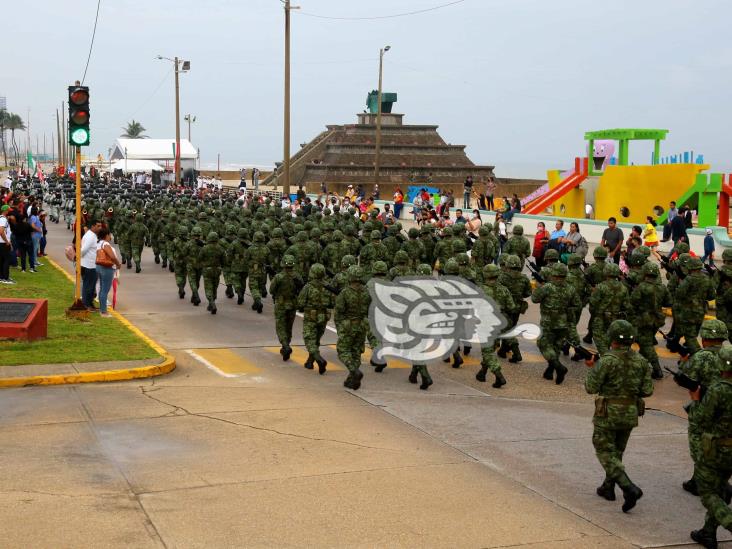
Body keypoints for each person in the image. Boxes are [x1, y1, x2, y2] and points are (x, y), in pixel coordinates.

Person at [585, 319, 653, 513]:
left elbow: (591, 387)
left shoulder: (607, 360)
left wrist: (591, 368)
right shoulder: (641, 361)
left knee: (604, 450)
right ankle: (608, 487)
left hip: (608, 413)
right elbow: (647, 390)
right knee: (617, 451)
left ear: (612, 338)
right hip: (630, 413)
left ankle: (628, 487)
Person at [688, 345, 732, 548]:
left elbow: (701, 420)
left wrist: (696, 401)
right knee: (721, 487)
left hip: (716, 449)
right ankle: (708, 532)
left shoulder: (719, 389)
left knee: (707, 493)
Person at [95, 227, 122, 317]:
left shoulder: (99, 243)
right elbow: (112, 257)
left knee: (102, 289)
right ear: (107, 235)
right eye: (110, 234)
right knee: (105, 291)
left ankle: (102, 309)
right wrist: (118, 264)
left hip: (99, 266)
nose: (110, 236)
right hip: (107, 268)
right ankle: (104, 312)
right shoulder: (105, 244)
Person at [80, 220, 102, 310]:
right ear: (92, 226)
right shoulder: (90, 236)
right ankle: (86, 305)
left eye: (100, 226)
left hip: (91, 265)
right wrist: (82, 259)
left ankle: (90, 304)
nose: (100, 228)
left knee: (91, 286)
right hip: (89, 265)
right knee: (88, 286)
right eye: (98, 226)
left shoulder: (92, 235)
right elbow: (83, 250)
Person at [0, 205, 15, 284]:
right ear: (5, 211)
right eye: (8, 210)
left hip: (2, 243)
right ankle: (5, 278)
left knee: (2, 260)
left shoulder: (2, 218)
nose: (9, 212)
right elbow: (1, 231)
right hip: (3, 243)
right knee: (6, 260)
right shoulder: (3, 219)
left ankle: (2, 277)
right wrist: (7, 241)